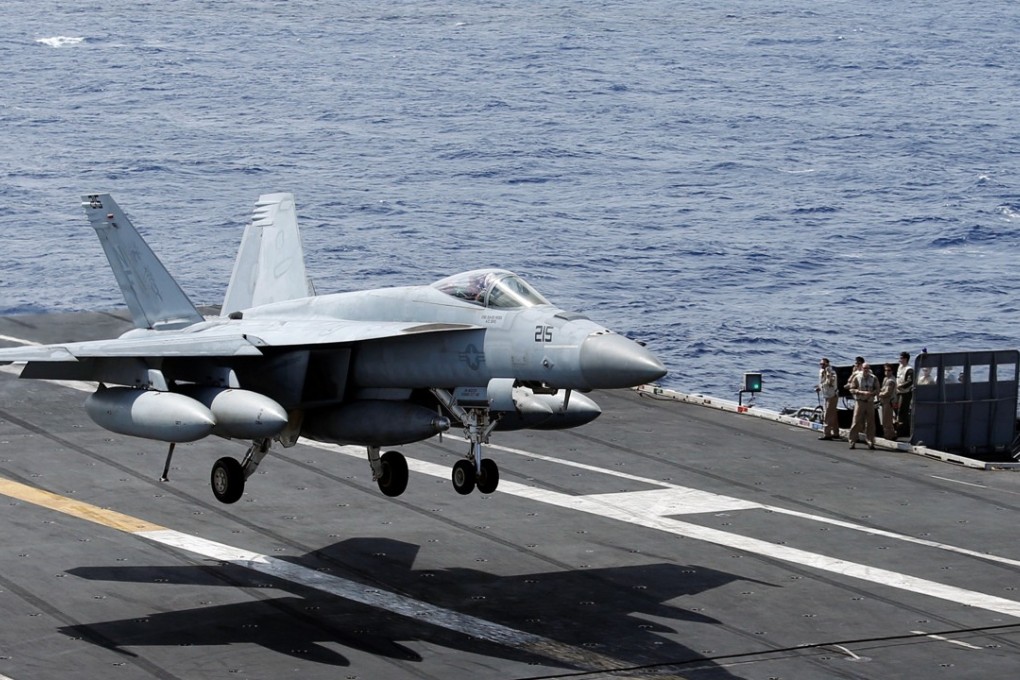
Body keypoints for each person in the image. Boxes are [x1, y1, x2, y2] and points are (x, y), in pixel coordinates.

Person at [847, 362, 879, 449]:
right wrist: (861, 392)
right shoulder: (857, 377)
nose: (866, 370)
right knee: (856, 421)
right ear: (862, 368)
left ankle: (870, 441)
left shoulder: (873, 378)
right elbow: (851, 389)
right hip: (860, 402)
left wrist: (872, 393)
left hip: (870, 402)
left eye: (867, 368)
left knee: (870, 422)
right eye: (864, 368)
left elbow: (877, 389)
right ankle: (852, 441)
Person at [815, 357, 840, 440]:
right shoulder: (821, 372)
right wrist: (819, 387)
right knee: (833, 414)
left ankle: (827, 434)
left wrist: (828, 374)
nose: (822, 365)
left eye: (823, 364)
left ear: (828, 364)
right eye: (821, 364)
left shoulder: (832, 373)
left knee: (827, 415)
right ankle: (836, 432)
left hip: (831, 396)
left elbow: (830, 383)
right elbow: (822, 382)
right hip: (826, 395)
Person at [895, 351, 914, 435]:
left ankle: (904, 431)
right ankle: (899, 427)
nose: (900, 360)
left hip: (905, 393)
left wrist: (901, 386)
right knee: (897, 410)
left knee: (903, 411)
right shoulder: (900, 367)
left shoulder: (909, 369)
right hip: (898, 392)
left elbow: (910, 381)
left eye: (901, 358)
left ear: (906, 359)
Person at [879, 363, 898, 440]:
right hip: (885, 401)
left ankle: (888, 436)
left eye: (889, 370)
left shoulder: (891, 381)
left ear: (892, 371)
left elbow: (887, 393)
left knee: (887, 420)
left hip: (889, 402)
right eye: (885, 370)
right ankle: (892, 434)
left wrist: (878, 394)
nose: (887, 372)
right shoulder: (885, 379)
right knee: (886, 419)